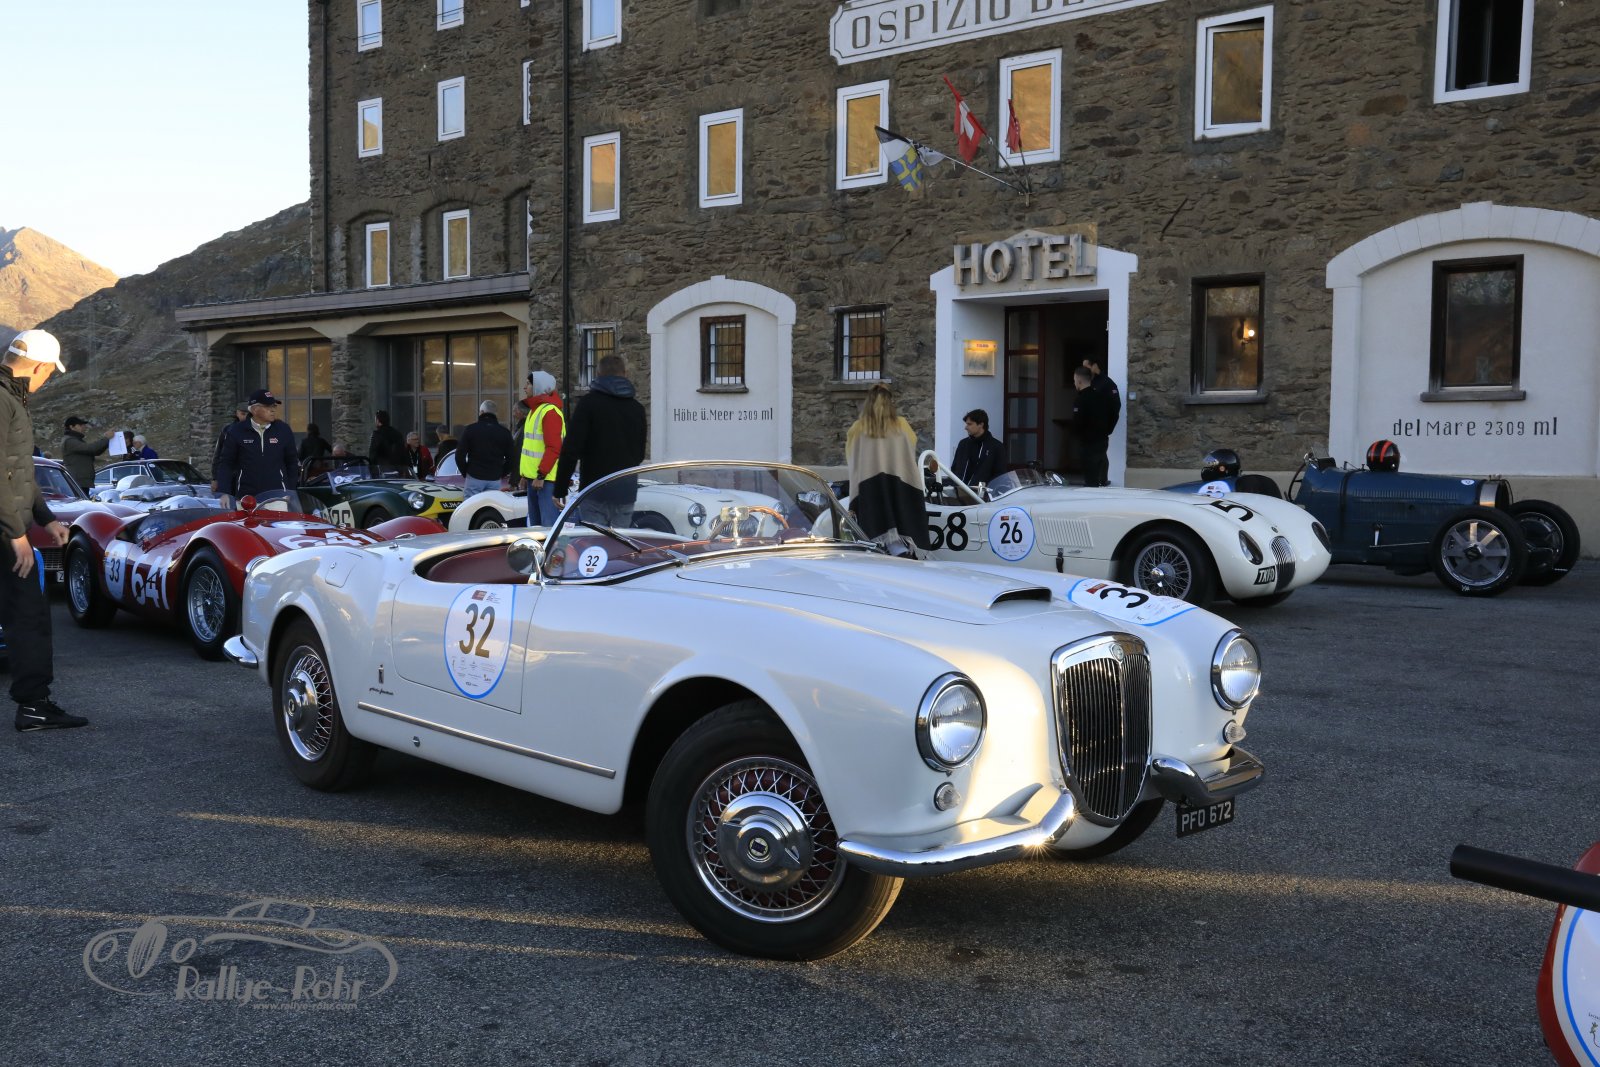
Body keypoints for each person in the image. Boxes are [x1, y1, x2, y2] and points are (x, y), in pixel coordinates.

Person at [1, 330, 86, 731]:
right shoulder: (3, 400)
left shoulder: (11, 398)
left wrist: (46, 517)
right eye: (50, 372)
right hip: (6, 533)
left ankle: (34, 704)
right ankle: (34, 706)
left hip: (10, 527)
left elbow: (20, 473)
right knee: (29, 617)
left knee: (25, 616)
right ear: (38, 366)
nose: (48, 379)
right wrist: (16, 534)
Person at [554, 354, 646, 528]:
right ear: (625, 374)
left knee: (595, 540)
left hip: (594, 488)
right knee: (620, 541)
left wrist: (560, 487)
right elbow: (640, 454)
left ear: (598, 374)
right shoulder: (637, 409)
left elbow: (571, 449)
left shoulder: (588, 405)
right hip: (625, 490)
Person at [845, 383, 930, 555]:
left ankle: (887, 549)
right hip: (899, 481)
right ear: (890, 401)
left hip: (869, 485)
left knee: (874, 521)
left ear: (868, 401)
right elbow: (910, 446)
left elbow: (851, 457)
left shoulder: (858, 428)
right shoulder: (901, 425)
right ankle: (900, 550)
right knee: (901, 516)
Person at [213, 389, 299, 499]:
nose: (273, 410)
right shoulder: (236, 431)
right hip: (246, 498)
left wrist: (290, 491)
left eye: (274, 406)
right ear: (254, 409)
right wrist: (224, 492)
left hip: (278, 497)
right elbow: (226, 463)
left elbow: (292, 462)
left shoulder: (283, 430)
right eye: (268, 406)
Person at [518, 370, 565, 526]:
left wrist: (540, 475)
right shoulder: (536, 411)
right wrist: (525, 475)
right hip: (538, 479)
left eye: (528, 384)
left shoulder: (549, 412)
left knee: (547, 528)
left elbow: (554, 447)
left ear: (538, 386)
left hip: (545, 480)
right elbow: (532, 448)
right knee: (537, 529)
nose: (525, 387)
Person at [457, 400, 514, 500]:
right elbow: (512, 458)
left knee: (471, 505)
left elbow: (459, 455)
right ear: (495, 413)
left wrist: (466, 472)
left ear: (482, 412)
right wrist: (501, 473)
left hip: (474, 476)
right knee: (490, 504)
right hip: (494, 478)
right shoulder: (504, 432)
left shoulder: (471, 429)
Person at [1071, 365, 1115, 487]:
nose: (1074, 383)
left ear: (1079, 381)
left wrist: (1077, 435)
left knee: (1090, 480)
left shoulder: (1081, 400)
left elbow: (1078, 422)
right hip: (1102, 441)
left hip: (1088, 444)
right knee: (1100, 475)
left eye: (1075, 380)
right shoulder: (1102, 397)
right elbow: (1112, 415)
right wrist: (1107, 431)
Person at [951, 408, 1006, 487]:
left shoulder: (996, 446)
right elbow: (954, 468)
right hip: (959, 491)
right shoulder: (963, 444)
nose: (966, 427)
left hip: (983, 493)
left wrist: (984, 487)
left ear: (981, 424)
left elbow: (1000, 475)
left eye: (970, 424)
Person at [61, 414, 111, 490]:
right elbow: (91, 449)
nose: (83, 427)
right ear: (71, 427)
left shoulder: (76, 440)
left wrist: (107, 441)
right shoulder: (69, 441)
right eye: (80, 425)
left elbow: (95, 452)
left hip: (81, 481)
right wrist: (106, 438)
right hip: (77, 481)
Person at [211, 406, 249, 492]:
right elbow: (218, 454)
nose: (245, 417)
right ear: (237, 413)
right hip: (229, 476)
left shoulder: (255, 430)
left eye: (248, 414)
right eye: (243, 414)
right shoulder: (227, 430)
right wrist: (215, 478)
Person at [1082, 357, 1122, 435]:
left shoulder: (1107, 383)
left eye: (1086, 367)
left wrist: (1107, 428)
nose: (1084, 370)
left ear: (1094, 366)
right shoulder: (1086, 382)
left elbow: (1116, 405)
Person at [368, 410, 408, 475]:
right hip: (398, 470)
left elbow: (373, 455)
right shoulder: (397, 433)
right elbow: (403, 453)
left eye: (375, 420)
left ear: (378, 421)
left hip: (382, 471)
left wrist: (372, 471)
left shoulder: (377, 434)